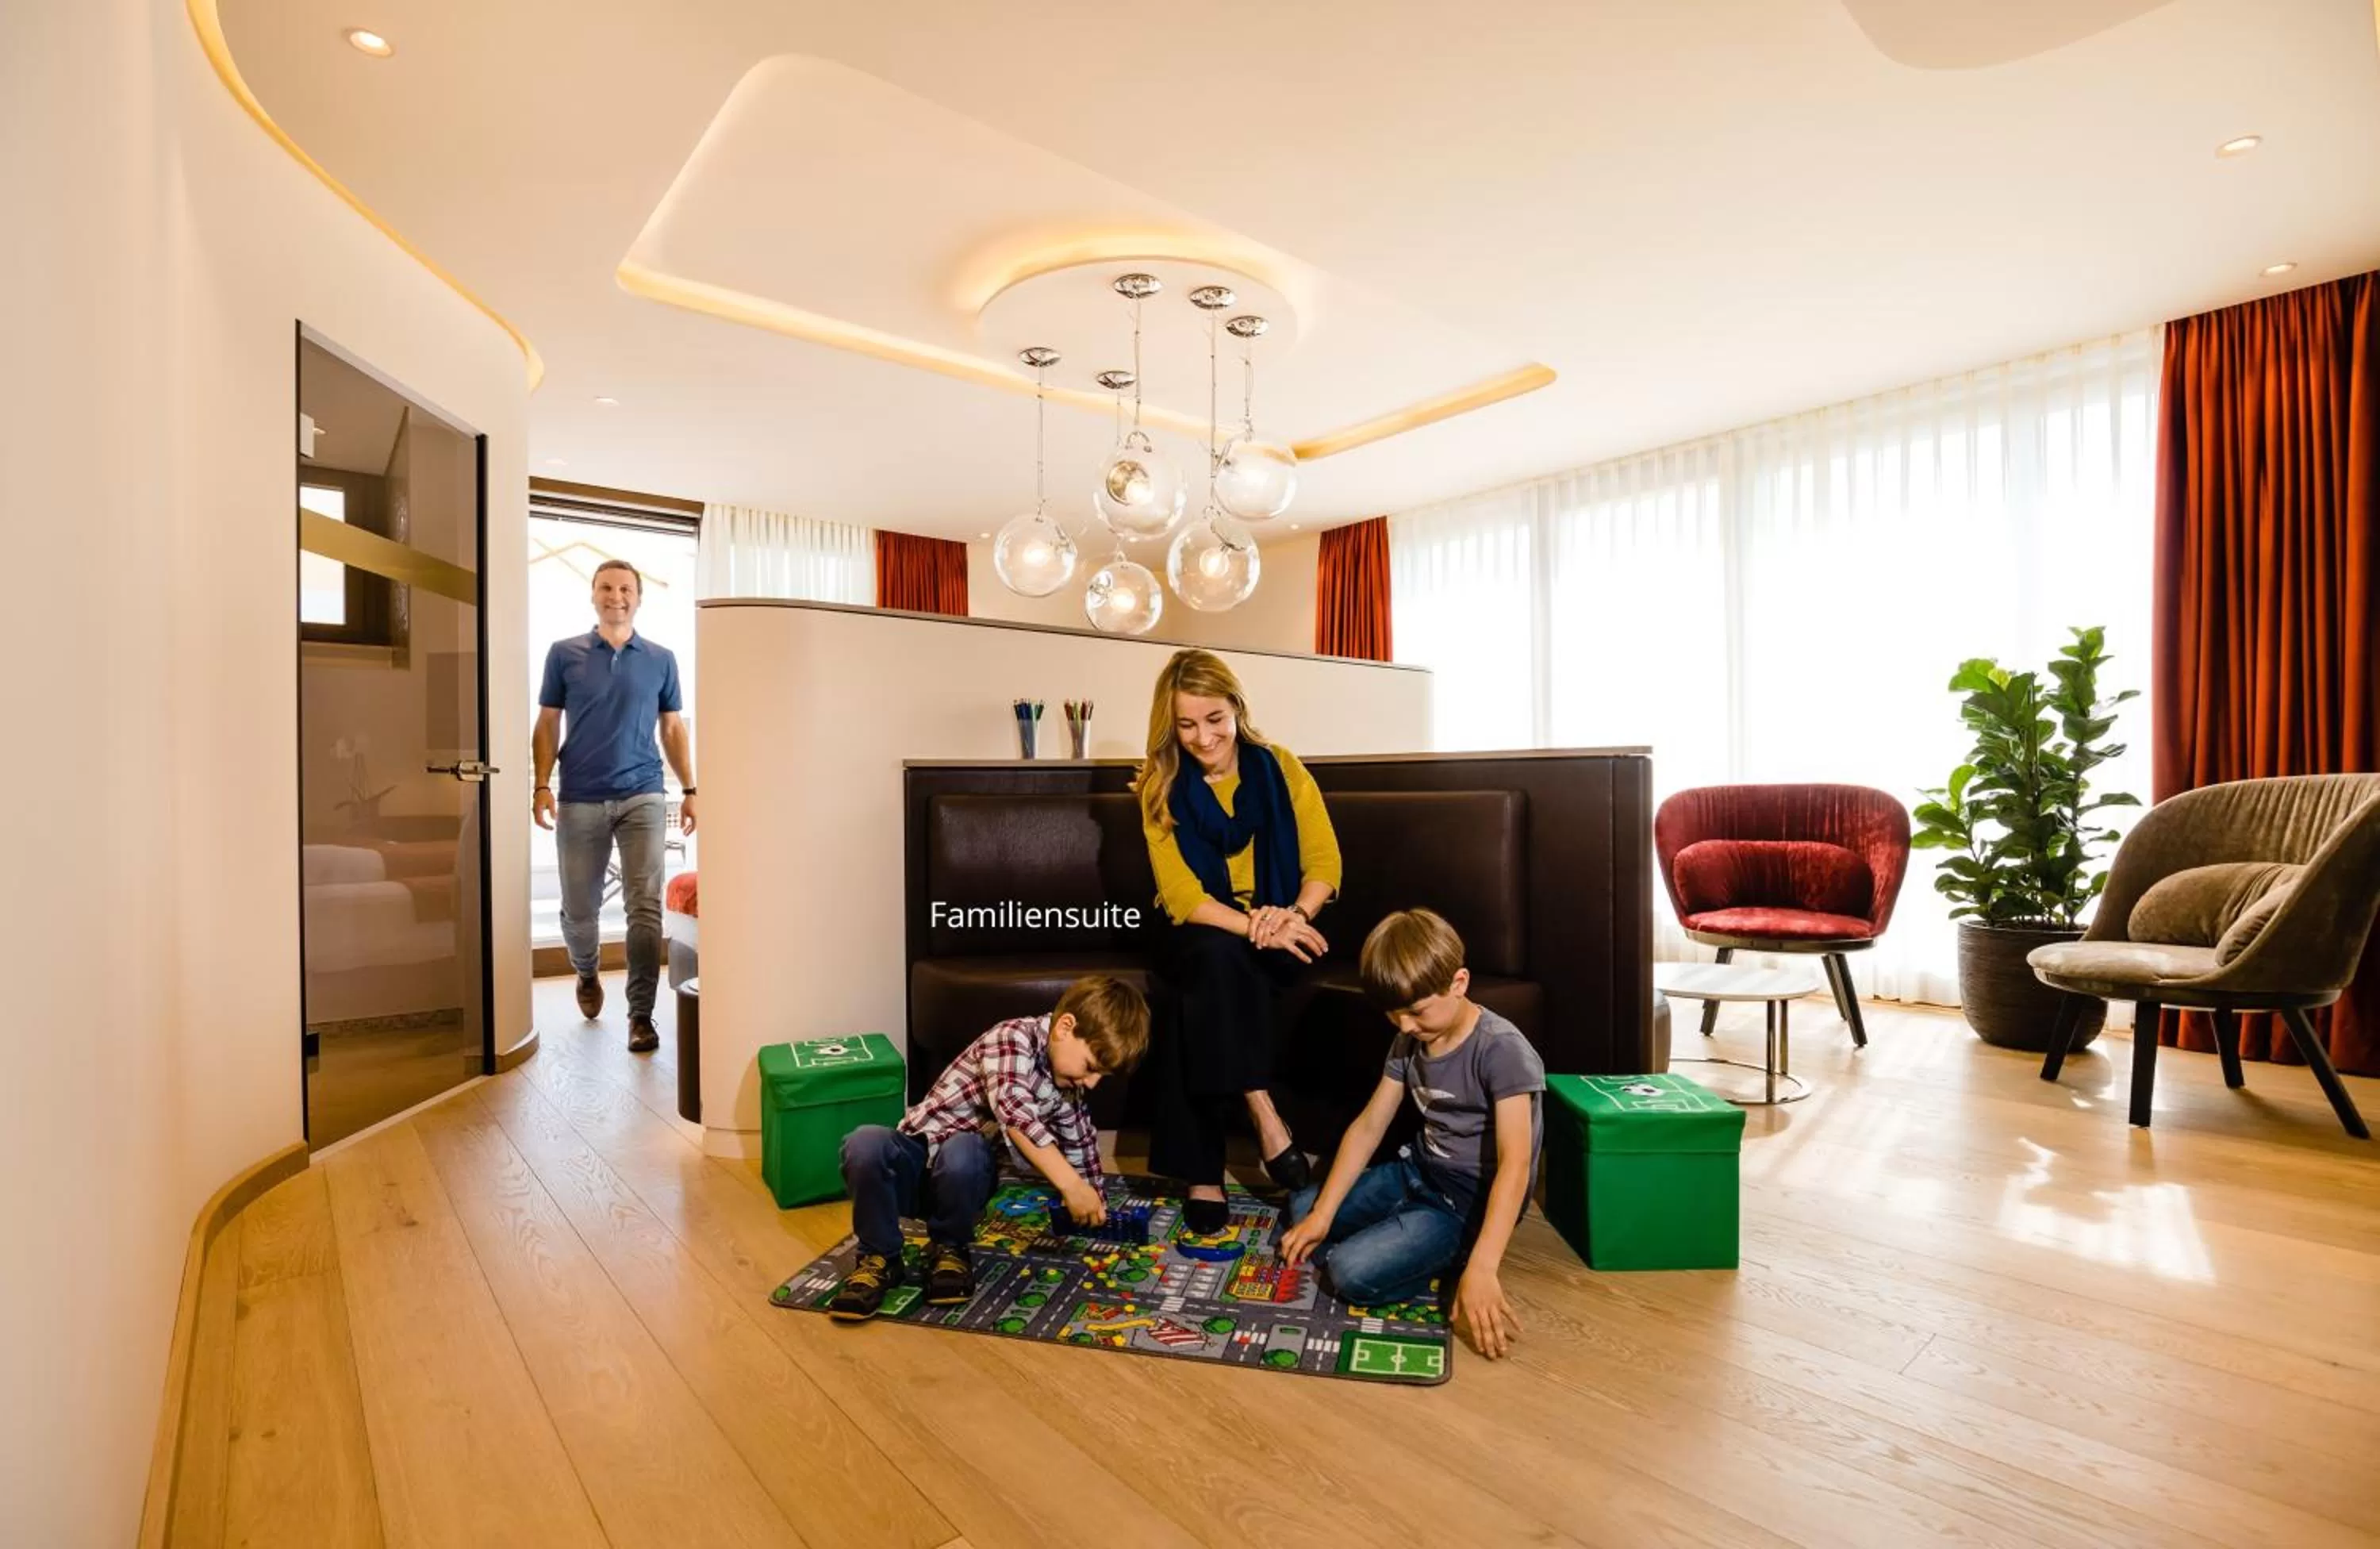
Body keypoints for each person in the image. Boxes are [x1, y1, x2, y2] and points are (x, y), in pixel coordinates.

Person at [1136, 648, 1342, 1236]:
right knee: (1210, 959)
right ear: (1169, 725)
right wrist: (1255, 926)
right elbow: (1181, 897)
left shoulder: (1280, 766)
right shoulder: (1159, 786)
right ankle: (1262, 1109)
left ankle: (1203, 1174)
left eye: (1215, 719)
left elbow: (1324, 860)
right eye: (1187, 724)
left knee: (1194, 994)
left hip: (1288, 923)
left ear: (1237, 711)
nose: (1204, 737)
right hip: (1205, 930)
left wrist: (1292, 916)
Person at [1280, 909, 1543, 1359]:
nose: (1404, 1026)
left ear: (1458, 983)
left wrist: (1483, 1266)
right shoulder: (1409, 1039)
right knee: (1303, 1207)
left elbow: (1516, 1164)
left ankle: (1456, 1253)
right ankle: (1405, 1231)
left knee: (1349, 1272)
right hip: (1418, 1170)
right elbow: (1368, 1126)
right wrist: (1324, 1214)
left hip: (1466, 1202)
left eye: (1416, 1011)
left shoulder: (1502, 1050)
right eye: (1394, 1013)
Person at [831, 976, 1150, 1319]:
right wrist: (1069, 1185)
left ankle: (949, 1250)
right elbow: (1016, 1115)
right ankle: (879, 1256)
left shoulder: (1068, 1090)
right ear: (1065, 1028)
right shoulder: (1011, 1038)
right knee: (864, 1142)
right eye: (1090, 1067)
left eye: (1101, 1076)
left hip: (962, 1182)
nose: (1091, 1082)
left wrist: (1092, 1198)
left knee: (965, 1149)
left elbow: (1081, 1146)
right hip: (916, 1166)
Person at [532, 558, 695, 1053]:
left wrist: (690, 789)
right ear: (594, 595)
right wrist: (542, 784)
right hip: (579, 795)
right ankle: (586, 971)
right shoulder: (565, 654)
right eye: (606, 587)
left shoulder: (661, 658)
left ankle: (640, 1015)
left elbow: (672, 727)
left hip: (643, 793)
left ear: (639, 598)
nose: (616, 596)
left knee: (643, 907)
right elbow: (547, 723)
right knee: (579, 909)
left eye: (625, 588)